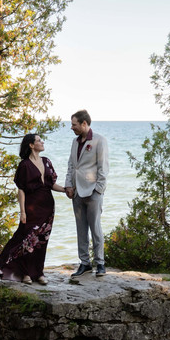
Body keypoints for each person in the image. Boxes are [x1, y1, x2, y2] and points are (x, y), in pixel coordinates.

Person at [0, 133, 65, 285]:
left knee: (42, 241)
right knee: (26, 240)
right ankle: (25, 273)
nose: (42, 142)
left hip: (47, 207)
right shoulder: (24, 165)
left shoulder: (47, 162)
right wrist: (22, 211)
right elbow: (21, 190)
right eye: (39, 140)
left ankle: (39, 274)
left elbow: (51, 184)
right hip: (31, 207)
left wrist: (65, 190)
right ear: (31, 145)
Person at [64, 109, 108, 277]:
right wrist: (69, 185)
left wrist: (98, 190)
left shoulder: (99, 140)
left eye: (74, 124)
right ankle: (84, 263)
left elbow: (103, 168)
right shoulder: (75, 142)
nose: (71, 128)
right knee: (80, 229)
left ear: (84, 123)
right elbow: (71, 165)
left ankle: (100, 263)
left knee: (95, 228)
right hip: (76, 192)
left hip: (93, 192)